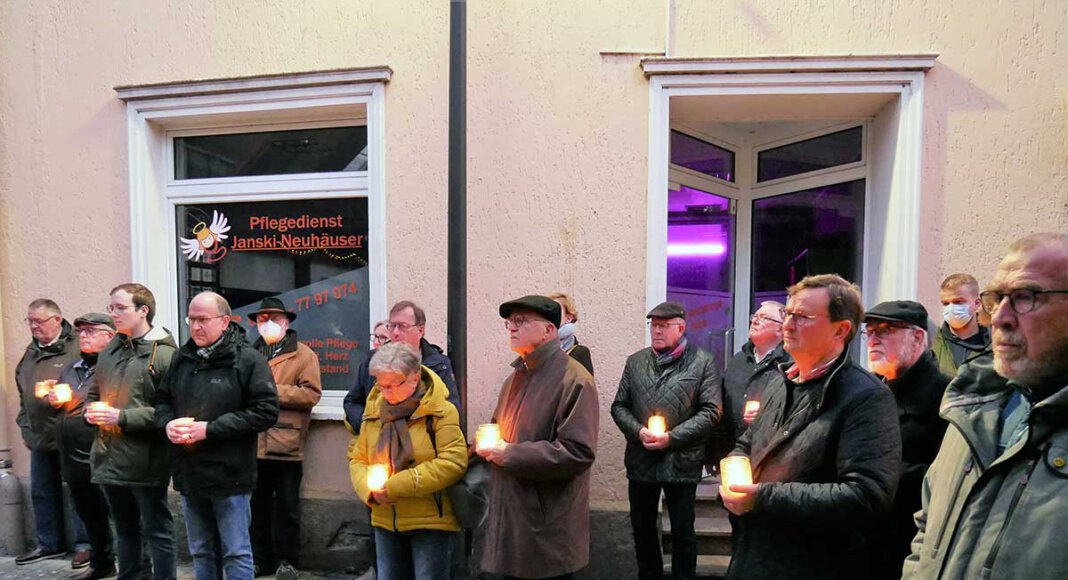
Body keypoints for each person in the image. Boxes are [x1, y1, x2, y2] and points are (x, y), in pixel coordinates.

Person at [903, 233, 1068, 579]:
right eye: (996, 299)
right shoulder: (970, 408)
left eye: (1025, 297)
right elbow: (927, 528)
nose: (999, 318)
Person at [721, 274, 901, 580]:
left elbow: (866, 496)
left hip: (816, 563)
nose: (788, 325)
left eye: (802, 317)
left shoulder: (866, 397)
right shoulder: (780, 381)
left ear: (840, 330)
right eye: (788, 314)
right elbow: (748, 443)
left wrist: (762, 497)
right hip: (755, 556)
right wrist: (733, 471)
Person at [155, 292, 279, 580]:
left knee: (235, 551)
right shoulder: (182, 358)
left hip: (230, 473)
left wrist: (209, 429)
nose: (195, 327)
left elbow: (265, 411)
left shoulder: (247, 359)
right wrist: (167, 424)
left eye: (203, 319)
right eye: (191, 319)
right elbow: (161, 400)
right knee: (201, 550)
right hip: (190, 472)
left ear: (224, 321)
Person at [478, 295, 598, 580]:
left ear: (548, 330)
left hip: (546, 531)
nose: (511, 327)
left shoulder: (575, 380)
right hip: (512, 523)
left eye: (520, 321)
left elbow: (578, 452)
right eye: (510, 322)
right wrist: (484, 442)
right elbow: (500, 429)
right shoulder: (515, 378)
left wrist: (509, 453)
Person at [610, 301, 722, 580]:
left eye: (664, 326)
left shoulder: (702, 361)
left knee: (683, 531)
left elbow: (711, 411)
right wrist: (638, 431)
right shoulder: (636, 362)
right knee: (643, 529)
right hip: (642, 459)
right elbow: (619, 406)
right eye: (654, 325)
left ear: (681, 328)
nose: (657, 331)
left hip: (681, 461)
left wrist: (672, 438)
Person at [348, 342, 467, 580]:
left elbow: (454, 462)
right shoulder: (374, 411)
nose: (386, 392)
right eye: (381, 385)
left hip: (431, 521)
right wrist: (369, 490)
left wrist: (396, 485)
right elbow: (357, 458)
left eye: (393, 385)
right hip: (385, 519)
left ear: (414, 378)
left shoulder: (439, 411)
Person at [87, 283, 178, 580]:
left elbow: (170, 411)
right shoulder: (111, 350)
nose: (113, 313)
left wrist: (122, 416)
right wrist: (90, 411)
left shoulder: (165, 354)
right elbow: (94, 392)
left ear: (143, 311)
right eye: (111, 307)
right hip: (109, 456)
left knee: (158, 530)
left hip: (146, 459)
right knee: (125, 530)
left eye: (120, 308)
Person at [862, 301, 949, 580]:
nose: (872, 340)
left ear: (917, 338)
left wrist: (879, 474)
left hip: (910, 545)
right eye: (869, 332)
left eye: (885, 330)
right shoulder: (866, 392)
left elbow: (949, 480)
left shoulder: (946, 399)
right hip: (862, 543)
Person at [249, 298, 322, 580]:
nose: (267, 324)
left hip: (286, 442)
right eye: (262, 319)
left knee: (287, 507)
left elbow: (311, 394)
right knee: (257, 506)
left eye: (274, 319)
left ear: (286, 322)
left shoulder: (303, 355)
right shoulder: (250, 352)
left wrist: (271, 390)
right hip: (253, 442)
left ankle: (288, 561)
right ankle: (260, 560)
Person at [14, 299, 85, 567]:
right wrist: (25, 425)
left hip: (70, 434)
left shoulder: (76, 347)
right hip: (40, 435)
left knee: (80, 490)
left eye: (39, 321)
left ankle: (86, 545)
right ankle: (48, 544)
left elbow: (91, 383)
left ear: (57, 320)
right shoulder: (31, 352)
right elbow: (23, 394)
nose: (34, 326)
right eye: (30, 321)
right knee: (41, 491)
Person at [52, 313, 118, 580]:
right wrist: (54, 399)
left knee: (122, 514)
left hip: (103, 452)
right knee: (89, 513)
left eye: (91, 331)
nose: (83, 336)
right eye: (81, 331)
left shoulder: (114, 367)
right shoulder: (72, 368)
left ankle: (137, 567)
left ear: (109, 336)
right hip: (73, 455)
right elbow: (60, 400)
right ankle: (102, 564)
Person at [345, 301, 459, 432]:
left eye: (402, 326)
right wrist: (368, 427)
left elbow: (450, 408)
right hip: (378, 440)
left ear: (420, 330)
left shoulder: (439, 365)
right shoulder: (373, 360)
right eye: (392, 326)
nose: (395, 332)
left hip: (424, 440)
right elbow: (352, 402)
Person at [713, 301, 790, 468]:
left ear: (781, 329)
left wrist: (766, 416)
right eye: (755, 316)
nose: (755, 321)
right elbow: (724, 406)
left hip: (771, 459)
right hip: (733, 458)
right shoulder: (738, 360)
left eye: (764, 318)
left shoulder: (789, 364)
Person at [933, 273, 991, 375]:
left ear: (977, 304)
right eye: (946, 303)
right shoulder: (932, 345)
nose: (951, 308)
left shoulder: (995, 345)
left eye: (958, 302)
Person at [548, 292, 594, 375]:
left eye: (555, 311)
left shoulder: (580, 353)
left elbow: (586, 382)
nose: (549, 316)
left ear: (568, 318)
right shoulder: (534, 348)